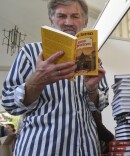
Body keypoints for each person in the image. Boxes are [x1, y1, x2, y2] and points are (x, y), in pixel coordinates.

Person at [1, 0, 110, 155]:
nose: (68, 22)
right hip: (41, 149)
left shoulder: (93, 56)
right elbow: (8, 103)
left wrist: (92, 89)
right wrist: (38, 79)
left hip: (86, 148)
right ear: (51, 20)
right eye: (61, 16)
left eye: (75, 16)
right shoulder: (30, 52)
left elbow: (100, 105)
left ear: (85, 21)